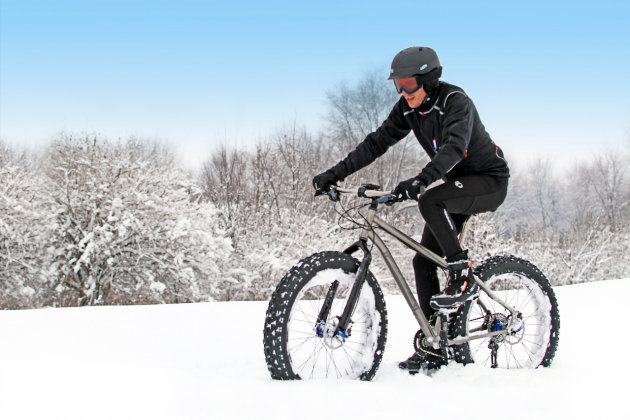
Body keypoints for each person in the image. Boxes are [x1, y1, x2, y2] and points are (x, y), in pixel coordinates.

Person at [312, 46, 510, 373]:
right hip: (454, 189)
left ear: (428, 80)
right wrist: (335, 173)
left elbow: (454, 148)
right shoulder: (408, 109)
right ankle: (435, 346)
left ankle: (461, 273)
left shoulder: (455, 102)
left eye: (408, 84)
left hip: (487, 180)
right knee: (422, 262)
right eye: (397, 85)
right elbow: (375, 143)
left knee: (429, 199)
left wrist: (422, 180)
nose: (403, 93)